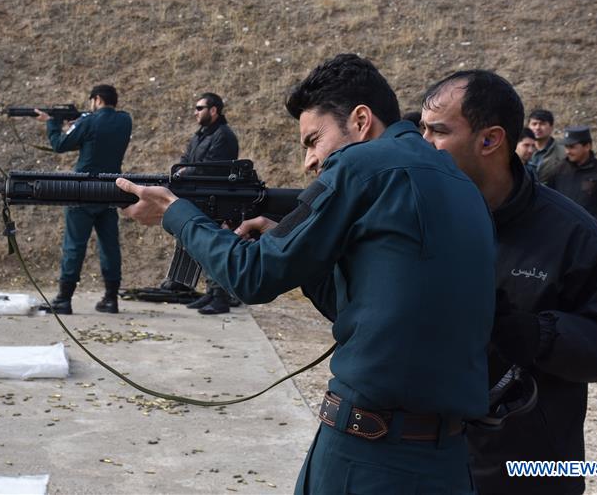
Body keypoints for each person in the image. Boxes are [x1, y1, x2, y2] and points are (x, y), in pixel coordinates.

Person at [117, 54, 497, 494]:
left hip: (368, 453)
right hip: (446, 461)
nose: (310, 162)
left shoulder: (361, 165)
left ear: (360, 120)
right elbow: (369, 308)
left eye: (314, 140)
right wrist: (296, 243)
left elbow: (252, 276)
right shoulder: (461, 184)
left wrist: (175, 213)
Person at [419, 70, 597, 494]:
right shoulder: (415, 216)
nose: (423, 144)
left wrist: (538, 335)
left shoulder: (572, 234)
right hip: (427, 463)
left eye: (438, 132)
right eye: (421, 130)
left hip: (529, 470)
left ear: (489, 140)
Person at [36, 84, 132, 315]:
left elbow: (60, 144)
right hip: (111, 190)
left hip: (84, 190)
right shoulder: (124, 120)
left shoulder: (87, 122)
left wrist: (52, 122)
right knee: (109, 246)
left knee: (74, 246)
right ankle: (111, 298)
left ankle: (64, 299)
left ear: (97, 99)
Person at [176, 92, 241, 315]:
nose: (195, 112)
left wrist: (186, 171)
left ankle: (220, 297)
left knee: (213, 245)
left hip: (217, 197)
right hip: (200, 195)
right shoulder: (200, 135)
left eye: (200, 108)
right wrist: (182, 170)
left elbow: (212, 167)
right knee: (201, 245)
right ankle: (212, 293)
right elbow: (186, 160)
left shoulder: (224, 136)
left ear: (213, 110)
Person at [546, 126, 597, 239]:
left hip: (592, 238)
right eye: (566, 147)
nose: (567, 151)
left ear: (587, 146)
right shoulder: (557, 171)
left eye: (572, 147)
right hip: (562, 235)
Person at [526, 108, 566, 183]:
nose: (537, 128)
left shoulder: (563, 152)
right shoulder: (519, 149)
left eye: (542, 124)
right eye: (534, 124)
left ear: (551, 127)